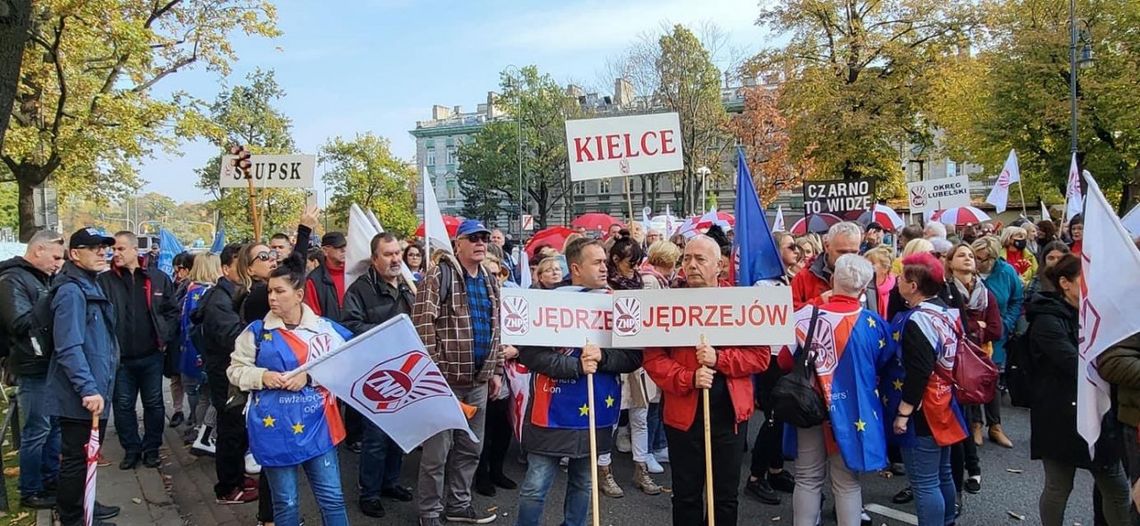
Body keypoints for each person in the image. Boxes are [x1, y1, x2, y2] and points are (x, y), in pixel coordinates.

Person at [643, 235, 771, 526]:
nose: (691, 265)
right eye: (687, 258)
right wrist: (689, 377)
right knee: (686, 495)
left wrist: (720, 360)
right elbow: (653, 360)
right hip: (683, 418)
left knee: (724, 497)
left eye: (700, 259)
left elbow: (760, 357)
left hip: (730, 417)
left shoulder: (741, 304)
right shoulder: (666, 305)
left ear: (719, 266)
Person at [514, 237, 642, 526]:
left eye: (604, 262)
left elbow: (634, 357)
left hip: (597, 410)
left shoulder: (615, 303)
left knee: (584, 481)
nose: (604, 268)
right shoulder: (547, 303)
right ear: (576, 268)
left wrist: (604, 358)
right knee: (536, 485)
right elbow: (530, 354)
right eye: (596, 262)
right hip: (552, 411)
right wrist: (575, 366)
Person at [227, 262, 353, 526]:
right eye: (270, 291)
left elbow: (347, 364)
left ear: (299, 295)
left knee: (332, 498)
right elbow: (235, 371)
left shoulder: (325, 329)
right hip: (274, 432)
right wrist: (263, 377)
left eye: (280, 291)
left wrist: (308, 376)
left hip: (319, 427)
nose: (272, 297)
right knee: (286, 502)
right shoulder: (256, 333)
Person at [778, 255, 893, 526]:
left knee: (807, 477)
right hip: (854, 410)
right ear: (864, 289)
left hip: (808, 407)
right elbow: (884, 363)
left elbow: (783, 360)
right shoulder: (873, 323)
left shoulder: (803, 316)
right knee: (847, 482)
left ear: (832, 281)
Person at [1027, 254, 1130, 526]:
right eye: (1087, 279)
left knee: (1117, 488)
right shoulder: (1047, 319)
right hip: (1060, 415)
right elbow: (1074, 364)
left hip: (1100, 411)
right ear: (1065, 283)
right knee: (1059, 487)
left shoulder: (1099, 314)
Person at [413, 219, 502, 526]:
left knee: (471, 449)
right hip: (445, 381)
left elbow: (496, 328)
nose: (481, 242)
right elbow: (423, 326)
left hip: (478, 381)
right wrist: (434, 372)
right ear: (458, 243)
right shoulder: (439, 275)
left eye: (484, 238)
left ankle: (458, 505)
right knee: (437, 453)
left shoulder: (491, 279)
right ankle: (430, 512)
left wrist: (496, 370)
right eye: (473, 237)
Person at [882, 252, 967, 526]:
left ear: (914, 286)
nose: (897, 281)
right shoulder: (945, 311)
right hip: (945, 401)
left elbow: (919, 371)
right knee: (942, 473)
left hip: (923, 408)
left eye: (902, 277)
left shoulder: (917, 320)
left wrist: (904, 413)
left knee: (924, 481)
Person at [47, 228, 122, 526]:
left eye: (104, 247)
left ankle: (85, 505)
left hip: (95, 388)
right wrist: (88, 388)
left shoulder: (89, 284)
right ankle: (74, 517)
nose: (102, 252)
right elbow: (69, 346)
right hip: (82, 394)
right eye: (94, 248)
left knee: (86, 457)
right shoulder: (71, 291)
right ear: (75, 254)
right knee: (77, 459)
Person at [341, 233, 417, 518]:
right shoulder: (360, 290)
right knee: (376, 437)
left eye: (398, 253)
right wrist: (389, 333)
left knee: (399, 433)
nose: (396, 258)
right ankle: (369, 492)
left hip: (406, 371)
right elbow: (349, 327)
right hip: (376, 372)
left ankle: (390, 482)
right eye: (388, 254)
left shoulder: (409, 287)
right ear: (374, 259)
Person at [98, 231, 179, 470]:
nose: (116, 253)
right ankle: (131, 449)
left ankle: (152, 448)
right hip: (120, 357)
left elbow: (171, 311)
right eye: (114, 249)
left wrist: (164, 335)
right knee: (123, 405)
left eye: (121, 248)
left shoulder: (157, 278)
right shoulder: (105, 281)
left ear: (136, 250)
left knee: (154, 403)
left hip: (151, 354)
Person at [191, 243, 260, 505]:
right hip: (225, 376)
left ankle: (236, 479)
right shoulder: (220, 300)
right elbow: (234, 338)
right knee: (230, 431)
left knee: (238, 430)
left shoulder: (234, 294)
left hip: (232, 374)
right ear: (226, 269)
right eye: (240, 266)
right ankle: (228, 488)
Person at [0, 230, 65, 509]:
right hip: (32, 366)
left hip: (47, 364)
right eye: (55, 256)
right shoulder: (12, 278)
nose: (58, 263)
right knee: (37, 430)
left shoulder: (41, 278)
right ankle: (30, 490)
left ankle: (50, 479)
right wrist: (54, 304)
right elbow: (19, 322)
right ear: (38, 250)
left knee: (52, 428)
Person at [604, 231, 663, 497]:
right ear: (615, 259)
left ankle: (641, 469)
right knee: (611, 417)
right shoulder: (606, 285)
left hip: (637, 357)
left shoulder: (640, 282)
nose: (635, 268)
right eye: (630, 262)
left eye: (638, 262)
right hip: (613, 358)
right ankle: (604, 470)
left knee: (640, 415)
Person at [944, 243, 1002, 502]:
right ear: (950, 262)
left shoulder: (985, 294)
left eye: (970, 255)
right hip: (952, 361)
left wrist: (974, 328)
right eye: (961, 255)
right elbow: (951, 325)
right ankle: (962, 470)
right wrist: (974, 326)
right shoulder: (945, 291)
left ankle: (974, 469)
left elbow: (996, 329)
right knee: (959, 417)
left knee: (966, 415)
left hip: (977, 360)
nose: (968, 259)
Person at [473, 252, 520, 498]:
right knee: (485, 430)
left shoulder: (513, 300)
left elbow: (528, 334)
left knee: (504, 428)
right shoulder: (477, 300)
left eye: (497, 273)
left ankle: (497, 471)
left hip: (512, 375)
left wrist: (517, 349)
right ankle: (481, 475)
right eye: (488, 273)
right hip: (485, 371)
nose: (494, 278)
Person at [971, 236, 1022, 448]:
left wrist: (1007, 323)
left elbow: (1016, 300)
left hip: (996, 335)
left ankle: (995, 425)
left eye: (981, 259)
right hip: (972, 335)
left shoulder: (1006, 272)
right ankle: (975, 423)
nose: (976, 262)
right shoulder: (968, 273)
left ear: (992, 258)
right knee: (972, 379)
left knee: (993, 378)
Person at [638, 240, 679, 472]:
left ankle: (658, 445)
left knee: (657, 402)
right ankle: (650, 451)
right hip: (652, 348)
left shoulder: (657, 280)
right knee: (651, 404)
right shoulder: (651, 282)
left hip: (660, 346)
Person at [180, 254, 222, 456]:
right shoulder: (204, 292)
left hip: (190, 349)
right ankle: (205, 433)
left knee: (203, 395)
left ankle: (198, 429)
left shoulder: (190, 289)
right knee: (210, 395)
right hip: (201, 352)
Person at [791, 222, 878, 313]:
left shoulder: (867, 276)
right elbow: (789, 316)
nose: (847, 258)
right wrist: (820, 302)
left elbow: (874, 314)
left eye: (853, 252)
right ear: (827, 246)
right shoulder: (804, 277)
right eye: (842, 252)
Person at [304, 232, 347, 321]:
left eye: (345, 246)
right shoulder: (314, 280)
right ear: (325, 250)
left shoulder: (355, 271)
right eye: (338, 247)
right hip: (332, 332)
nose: (343, 250)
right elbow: (314, 316)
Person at [862, 247, 895, 320]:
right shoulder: (863, 286)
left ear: (885, 268)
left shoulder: (895, 289)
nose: (866, 266)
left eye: (871, 264)